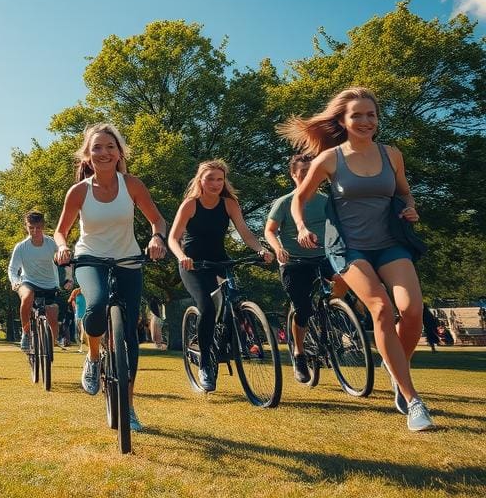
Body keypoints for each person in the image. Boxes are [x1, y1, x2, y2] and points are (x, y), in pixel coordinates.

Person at [281, 86, 435, 432]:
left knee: (412, 312)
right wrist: (303, 226)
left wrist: (410, 207)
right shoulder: (330, 159)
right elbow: (298, 200)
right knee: (381, 308)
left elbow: (404, 191)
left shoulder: (391, 155)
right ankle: (412, 401)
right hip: (350, 249)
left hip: (390, 243)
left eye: (371, 115)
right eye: (357, 116)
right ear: (343, 120)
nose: (365, 121)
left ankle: (396, 369)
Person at [54, 123, 167, 433]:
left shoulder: (132, 185)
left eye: (109, 147)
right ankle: (92, 357)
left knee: (129, 337)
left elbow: (157, 220)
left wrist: (157, 238)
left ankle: (128, 407)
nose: (103, 153)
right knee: (97, 305)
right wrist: (62, 248)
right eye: (97, 148)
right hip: (90, 258)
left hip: (128, 260)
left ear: (119, 152)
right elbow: (61, 231)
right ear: (88, 156)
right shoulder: (79, 191)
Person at [166, 159, 273, 393]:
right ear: (200, 181)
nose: (215, 183)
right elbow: (173, 238)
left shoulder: (230, 204)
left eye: (219, 179)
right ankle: (206, 362)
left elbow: (245, 233)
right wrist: (181, 256)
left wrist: (261, 250)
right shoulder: (190, 204)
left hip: (220, 261)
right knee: (207, 307)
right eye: (210, 179)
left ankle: (230, 342)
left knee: (234, 299)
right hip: (193, 264)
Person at [264, 154, 346, 383]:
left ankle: (331, 311)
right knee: (302, 309)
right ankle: (299, 354)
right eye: (301, 174)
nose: (307, 177)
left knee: (346, 277)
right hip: (295, 262)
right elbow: (270, 230)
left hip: (324, 257)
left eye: (311, 173)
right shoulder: (284, 202)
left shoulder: (326, 200)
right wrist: (278, 248)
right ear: (293, 175)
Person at [7, 210, 72, 352]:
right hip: (28, 282)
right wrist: (15, 281)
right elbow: (12, 269)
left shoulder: (52, 244)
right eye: (31, 228)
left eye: (38, 227)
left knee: (53, 319)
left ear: (43, 226)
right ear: (26, 227)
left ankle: (47, 351)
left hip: (50, 285)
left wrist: (68, 278)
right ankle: (25, 333)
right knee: (27, 296)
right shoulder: (21, 247)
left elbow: (65, 262)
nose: (35, 231)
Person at [68, 286, 87, 352]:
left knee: (83, 332)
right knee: (78, 333)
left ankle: (82, 347)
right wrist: (74, 305)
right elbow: (70, 301)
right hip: (78, 315)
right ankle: (80, 347)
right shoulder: (75, 292)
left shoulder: (87, 292)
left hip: (86, 315)